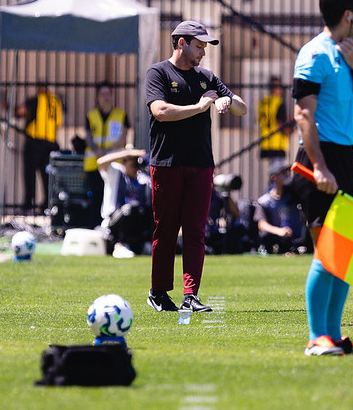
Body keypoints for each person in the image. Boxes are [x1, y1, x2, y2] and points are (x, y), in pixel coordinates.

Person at [291, 0, 353, 356]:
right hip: (319, 162)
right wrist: (320, 168)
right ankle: (316, 338)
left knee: (344, 255)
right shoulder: (315, 54)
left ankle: (335, 336)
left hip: (344, 159)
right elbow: (303, 115)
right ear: (348, 15)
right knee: (326, 254)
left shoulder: (351, 54)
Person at [144, 20, 247, 313]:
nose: (203, 52)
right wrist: (200, 107)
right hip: (166, 163)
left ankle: (191, 294)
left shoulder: (207, 77)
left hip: (201, 164)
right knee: (166, 230)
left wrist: (226, 101)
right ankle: (158, 292)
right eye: (199, 46)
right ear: (182, 43)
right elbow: (160, 111)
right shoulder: (158, 72)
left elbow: (242, 108)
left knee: (195, 231)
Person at [84, 82, 131, 227]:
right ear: (97, 97)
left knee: (113, 196)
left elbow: (123, 137)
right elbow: (88, 137)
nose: (106, 97)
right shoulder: (91, 115)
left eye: (108, 94)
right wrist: (97, 151)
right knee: (95, 196)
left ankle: (112, 225)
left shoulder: (121, 115)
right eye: (102, 94)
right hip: (94, 162)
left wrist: (108, 152)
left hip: (114, 164)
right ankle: (94, 225)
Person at [15, 82, 63, 213]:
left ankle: (28, 204)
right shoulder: (56, 101)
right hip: (51, 142)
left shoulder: (37, 99)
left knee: (29, 174)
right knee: (47, 175)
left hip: (35, 141)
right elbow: (59, 122)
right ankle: (47, 205)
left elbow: (20, 112)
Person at [96, 147, 152, 258]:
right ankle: (120, 245)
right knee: (130, 208)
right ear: (124, 163)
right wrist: (127, 153)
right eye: (133, 165)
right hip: (113, 221)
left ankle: (147, 243)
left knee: (148, 209)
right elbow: (100, 162)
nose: (136, 169)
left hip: (134, 222)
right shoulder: (116, 172)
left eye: (137, 165)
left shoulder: (141, 178)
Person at [254, 162, 310, 255]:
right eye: (283, 173)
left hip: (296, 238)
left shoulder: (294, 196)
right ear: (274, 178)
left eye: (287, 172)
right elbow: (262, 224)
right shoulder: (264, 201)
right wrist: (279, 231)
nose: (287, 175)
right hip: (277, 238)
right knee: (265, 235)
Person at [258, 76, 294, 170]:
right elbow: (280, 124)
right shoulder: (278, 102)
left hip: (266, 140)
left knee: (273, 169)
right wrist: (290, 128)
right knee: (279, 171)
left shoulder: (264, 101)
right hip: (277, 142)